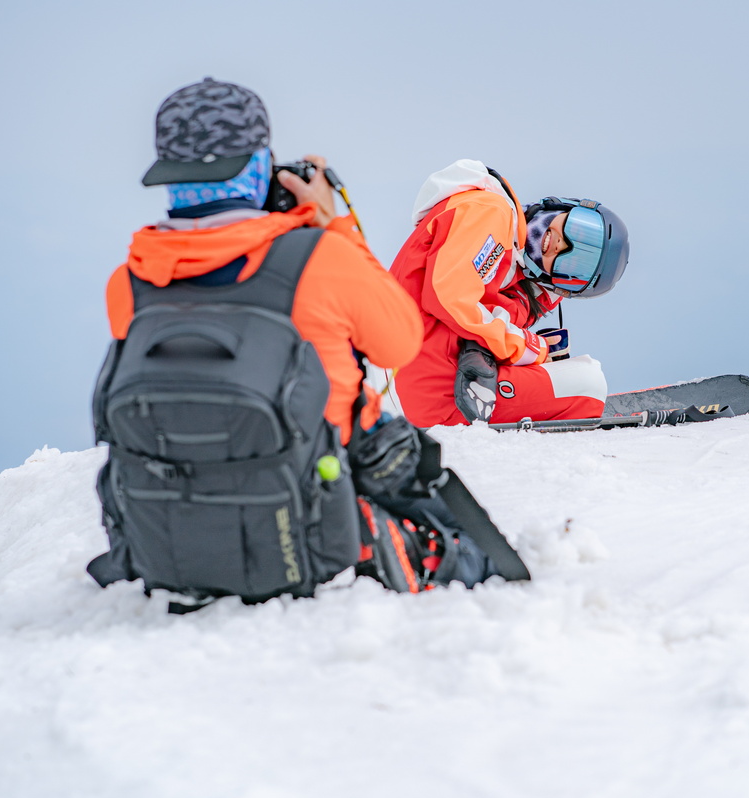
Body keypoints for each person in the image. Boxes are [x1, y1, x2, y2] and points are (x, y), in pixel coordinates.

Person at [88, 79, 512, 607]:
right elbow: (399, 344)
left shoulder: (129, 282)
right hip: (308, 520)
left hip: (170, 528)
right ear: (261, 166)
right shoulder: (318, 259)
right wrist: (332, 224)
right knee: (473, 551)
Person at [388, 159, 629, 427]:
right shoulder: (491, 212)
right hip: (440, 394)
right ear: (564, 205)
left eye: (573, 266)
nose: (563, 246)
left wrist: (534, 299)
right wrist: (534, 348)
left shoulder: (505, 255)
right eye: (579, 229)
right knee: (588, 384)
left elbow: (481, 311)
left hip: (424, 384)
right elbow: (449, 296)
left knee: (566, 373)